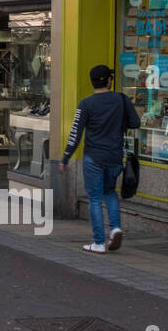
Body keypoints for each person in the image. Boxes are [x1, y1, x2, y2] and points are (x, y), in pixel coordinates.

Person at [59, 64, 140, 253]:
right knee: (110, 192)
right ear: (109, 80)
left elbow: (75, 134)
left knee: (95, 198)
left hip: (93, 157)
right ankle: (116, 228)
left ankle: (98, 242)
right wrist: (118, 123)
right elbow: (135, 122)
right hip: (114, 157)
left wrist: (65, 158)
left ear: (93, 82)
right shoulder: (121, 99)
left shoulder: (86, 104)